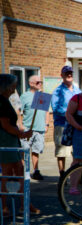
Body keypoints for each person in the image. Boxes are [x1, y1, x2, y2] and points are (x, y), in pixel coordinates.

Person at [0, 74, 39, 216]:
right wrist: (21, 134)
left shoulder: (5, 100)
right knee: (8, 173)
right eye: (13, 85)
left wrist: (19, 133)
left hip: (11, 140)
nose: (14, 88)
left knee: (17, 172)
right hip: (6, 141)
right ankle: (5, 206)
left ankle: (23, 204)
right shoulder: (2, 102)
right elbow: (5, 125)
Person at [51, 66, 81, 178]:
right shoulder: (57, 91)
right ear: (62, 75)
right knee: (61, 151)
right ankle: (62, 175)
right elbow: (56, 109)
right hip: (62, 125)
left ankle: (76, 175)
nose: (69, 75)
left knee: (77, 151)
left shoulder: (78, 90)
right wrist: (71, 114)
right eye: (67, 73)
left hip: (76, 126)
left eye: (71, 73)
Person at [20, 75, 50, 180]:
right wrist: (21, 125)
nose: (40, 84)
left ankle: (36, 170)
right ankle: (24, 171)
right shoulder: (25, 96)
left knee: (36, 150)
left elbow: (46, 112)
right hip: (27, 128)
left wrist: (46, 124)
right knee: (24, 150)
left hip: (40, 128)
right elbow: (19, 112)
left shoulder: (42, 95)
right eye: (38, 82)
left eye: (41, 82)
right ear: (31, 83)